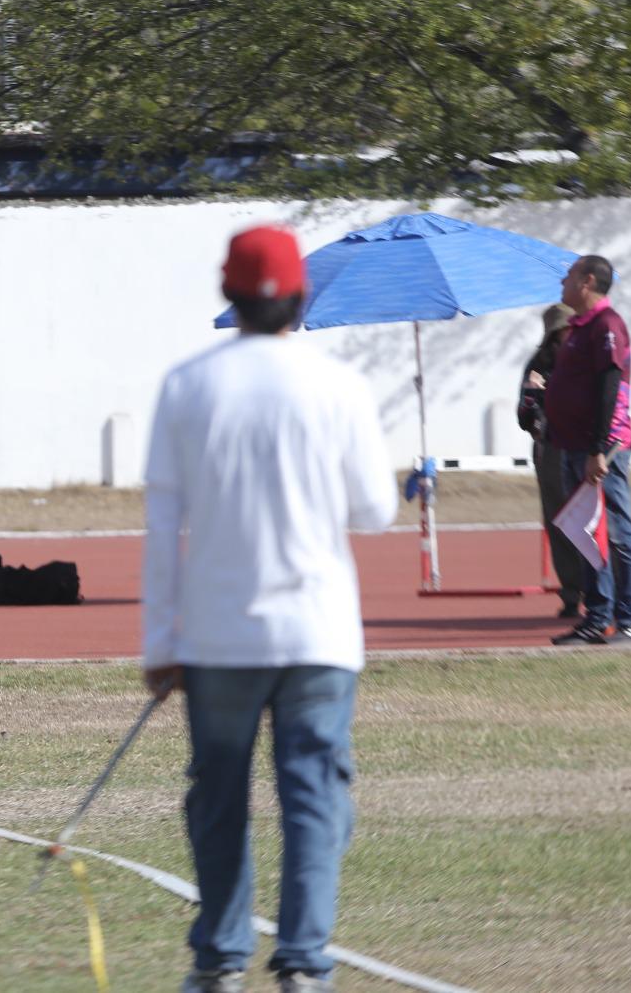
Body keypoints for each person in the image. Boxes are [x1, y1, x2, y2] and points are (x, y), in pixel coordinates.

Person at [141, 225, 397, 993]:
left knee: (218, 798)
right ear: (301, 295)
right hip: (319, 630)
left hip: (221, 634)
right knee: (314, 797)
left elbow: (162, 525)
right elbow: (376, 510)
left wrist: (159, 640)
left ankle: (220, 962)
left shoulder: (187, 385)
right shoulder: (340, 384)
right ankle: (304, 965)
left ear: (228, 295)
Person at [543, 255, 631, 645]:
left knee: (618, 531)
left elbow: (610, 388)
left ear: (587, 282)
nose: (562, 283)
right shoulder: (577, 327)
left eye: (568, 277)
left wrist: (599, 449)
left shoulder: (607, 325)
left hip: (601, 451)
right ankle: (596, 618)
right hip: (572, 446)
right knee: (586, 533)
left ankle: (630, 620)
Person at [517, 303, 583, 618]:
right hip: (550, 448)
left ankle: (604, 593)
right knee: (559, 521)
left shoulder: (587, 358)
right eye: (561, 329)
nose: (567, 333)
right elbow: (524, 417)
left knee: (591, 520)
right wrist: (532, 394)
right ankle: (572, 592)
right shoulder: (539, 362)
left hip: (583, 446)